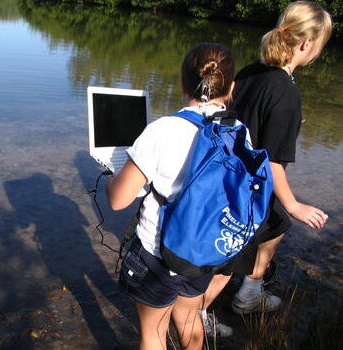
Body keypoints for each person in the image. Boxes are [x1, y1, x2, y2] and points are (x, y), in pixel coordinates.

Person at [196, 1, 333, 334]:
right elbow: (272, 162)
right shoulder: (284, 91)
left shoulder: (252, 72)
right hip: (247, 185)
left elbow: (231, 113)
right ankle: (194, 316)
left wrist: (283, 121)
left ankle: (250, 292)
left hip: (226, 171)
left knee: (277, 225)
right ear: (306, 45)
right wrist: (295, 204)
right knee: (229, 260)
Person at [107, 42, 237, 350]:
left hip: (158, 254)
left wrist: (115, 175)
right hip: (205, 250)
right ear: (231, 87)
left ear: (182, 83)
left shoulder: (162, 131)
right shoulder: (238, 130)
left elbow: (118, 201)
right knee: (191, 320)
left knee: (153, 333)